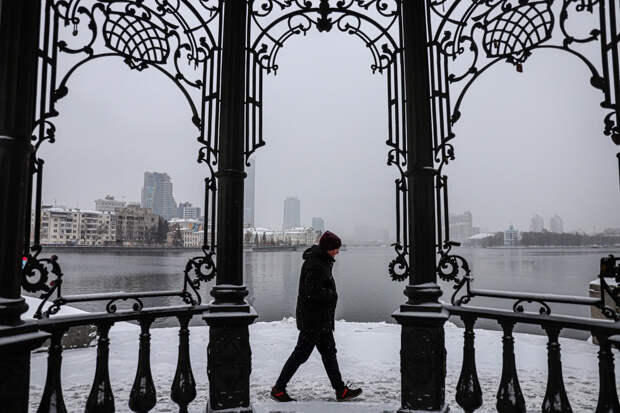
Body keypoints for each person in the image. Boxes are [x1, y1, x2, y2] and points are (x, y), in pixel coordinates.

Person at [270, 231, 362, 402]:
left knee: (329, 354)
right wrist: (332, 294)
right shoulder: (315, 264)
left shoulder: (322, 261)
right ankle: (278, 389)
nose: (337, 252)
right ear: (328, 248)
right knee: (301, 354)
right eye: (335, 248)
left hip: (321, 319)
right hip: (313, 320)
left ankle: (340, 390)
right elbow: (312, 291)